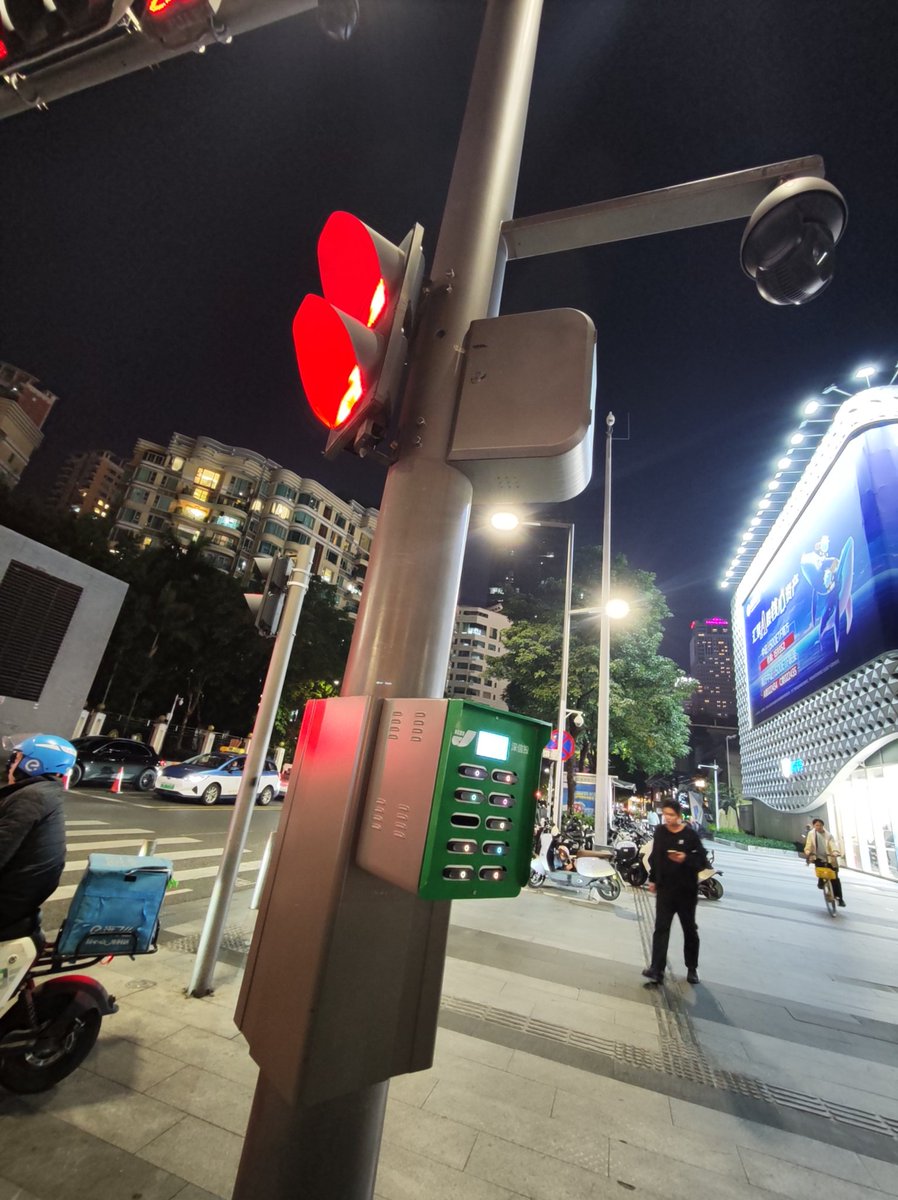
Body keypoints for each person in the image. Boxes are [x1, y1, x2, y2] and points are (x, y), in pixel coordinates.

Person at [0, 733, 76, 937]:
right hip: (20, 895)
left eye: (16, 758)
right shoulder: (42, 792)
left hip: (10, 900)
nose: (10, 763)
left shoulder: (32, 797)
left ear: (33, 764)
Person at [642, 800, 710, 986]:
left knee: (689, 929)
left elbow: (702, 860)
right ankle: (657, 969)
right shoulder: (660, 832)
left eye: (671, 815)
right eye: (665, 814)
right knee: (661, 928)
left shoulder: (690, 835)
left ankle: (692, 967)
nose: (668, 818)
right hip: (665, 889)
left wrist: (685, 858)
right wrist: (653, 879)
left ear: (679, 816)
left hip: (686, 891)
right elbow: (656, 856)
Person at [803, 817, 845, 906]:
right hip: (818, 857)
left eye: (820, 825)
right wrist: (807, 851)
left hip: (830, 857)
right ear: (814, 826)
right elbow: (809, 844)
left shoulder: (828, 835)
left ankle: (839, 898)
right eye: (817, 825)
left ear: (823, 826)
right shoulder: (811, 834)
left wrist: (835, 852)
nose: (818, 827)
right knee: (821, 871)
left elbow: (832, 845)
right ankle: (821, 881)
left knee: (835, 878)